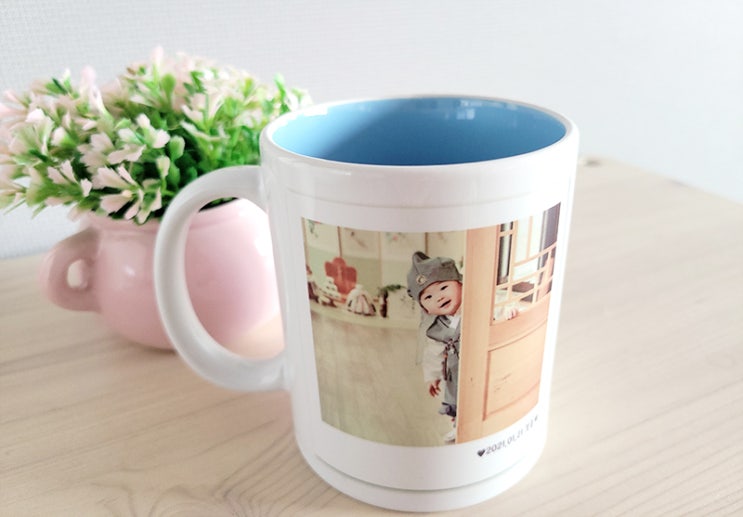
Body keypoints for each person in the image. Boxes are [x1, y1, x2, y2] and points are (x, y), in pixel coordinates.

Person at [407, 251, 463, 443]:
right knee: (456, 399)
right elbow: (433, 354)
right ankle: (458, 427)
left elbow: (495, 312)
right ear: (425, 308)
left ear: (460, 284)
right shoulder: (437, 328)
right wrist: (432, 376)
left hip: (477, 365)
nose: (438, 298)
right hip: (454, 371)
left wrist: (508, 313)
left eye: (444, 287)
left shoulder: (475, 308)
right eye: (428, 297)